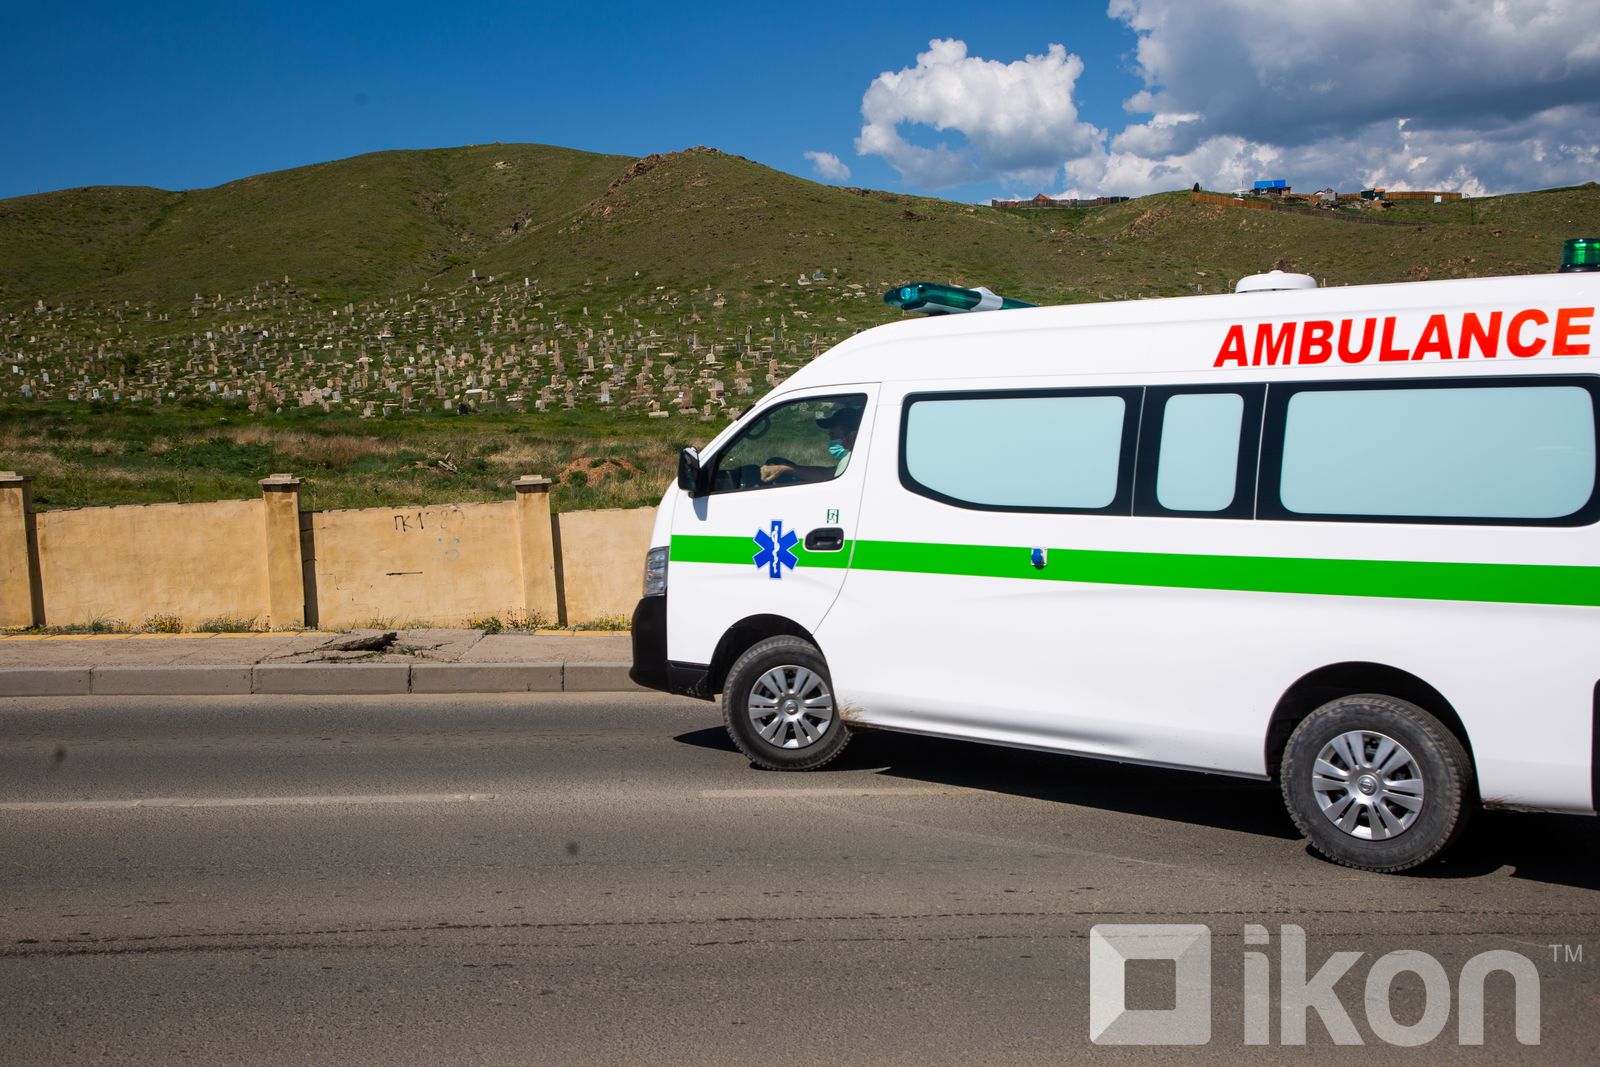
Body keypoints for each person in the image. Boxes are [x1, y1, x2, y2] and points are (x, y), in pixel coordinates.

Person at [759, 401, 863, 484]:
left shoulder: (850, 460)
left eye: (833, 434)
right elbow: (826, 474)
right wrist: (784, 468)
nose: (830, 437)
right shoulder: (852, 460)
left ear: (852, 436)